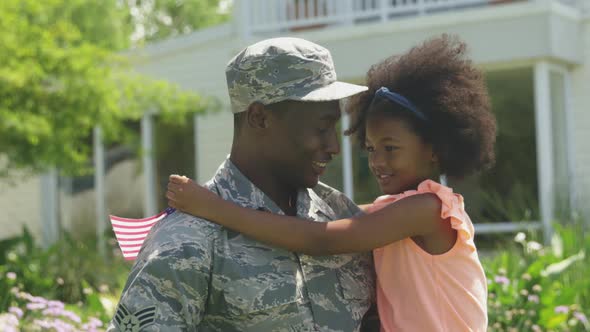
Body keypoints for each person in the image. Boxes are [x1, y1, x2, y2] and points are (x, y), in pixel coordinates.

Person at [167, 35, 496, 332]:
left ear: (435, 150)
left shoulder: (428, 209)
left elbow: (320, 238)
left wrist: (212, 207)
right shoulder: (394, 210)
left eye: (391, 148)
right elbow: (323, 221)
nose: (378, 161)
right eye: (370, 148)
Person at [108, 37, 377, 331]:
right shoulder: (187, 241)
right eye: (321, 128)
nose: (334, 146)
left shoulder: (341, 216)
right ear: (259, 118)